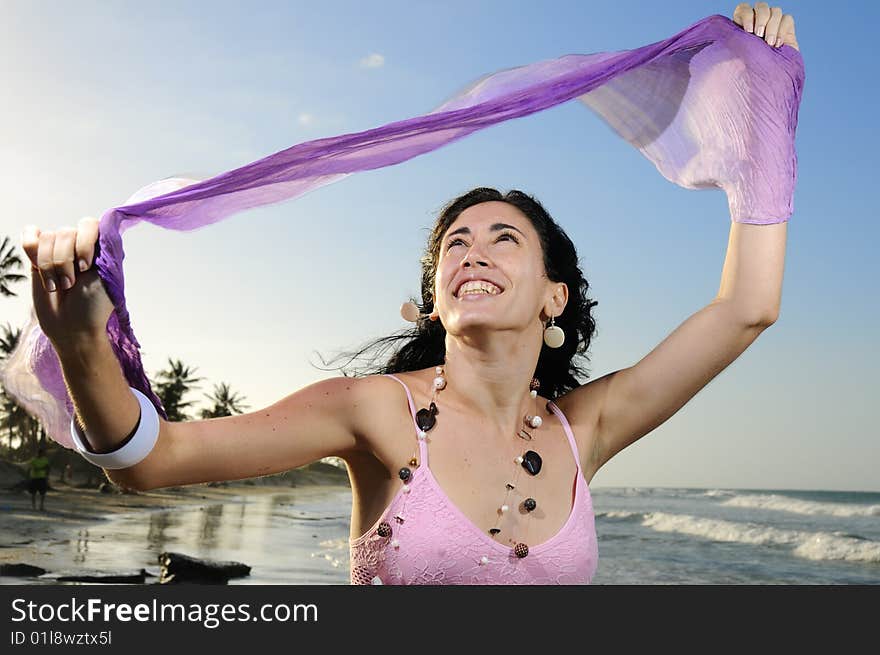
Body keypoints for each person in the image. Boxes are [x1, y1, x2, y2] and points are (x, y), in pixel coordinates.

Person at [18, 3, 799, 584]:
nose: (472, 251)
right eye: (454, 242)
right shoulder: (372, 410)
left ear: (552, 297)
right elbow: (152, 461)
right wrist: (84, 343)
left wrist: (764, 103)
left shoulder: (583, 429)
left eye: (503, 238)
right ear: (434, 302)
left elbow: (747, 307)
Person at [27, 447, 50, 511]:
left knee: (42, 493)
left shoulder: (45, 460)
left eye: (41, 453)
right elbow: (31, 468)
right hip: (34, 478)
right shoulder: (33, 460)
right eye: (40, 453)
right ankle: (34, 507)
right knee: (33, 493)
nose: (40, 454)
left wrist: (47, 476)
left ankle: (41, 506)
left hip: (42, 478)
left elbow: (47, 468)